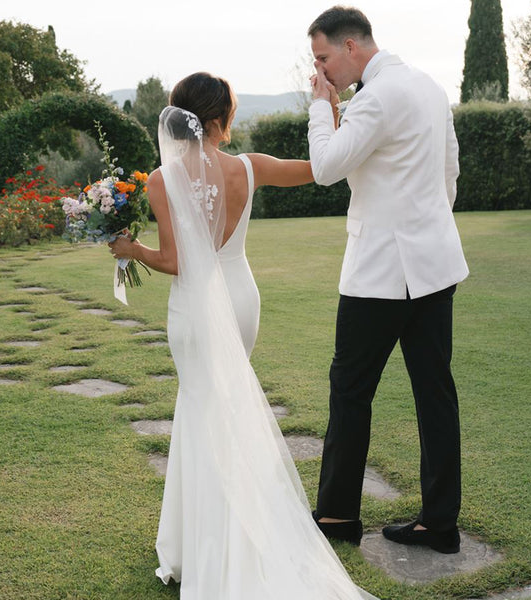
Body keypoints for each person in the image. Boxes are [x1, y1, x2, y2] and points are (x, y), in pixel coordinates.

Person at [108, 72, 378, 599]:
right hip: (240, 298)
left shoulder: (164, 179)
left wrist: (130, 251)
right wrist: (332, 113)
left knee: (202, 409)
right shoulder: (250, 168)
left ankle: (212, 546)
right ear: (220, 119)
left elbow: (175, 261)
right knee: (224, 410)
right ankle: (220, 534)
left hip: (195, 306)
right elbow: (325, 168)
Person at [306, 6, 470, 554]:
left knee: (350, 392)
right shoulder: (428, 86)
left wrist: (319, 107)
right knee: (435, 394)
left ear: (351, 47)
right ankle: (439, 524)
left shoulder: (373, 98)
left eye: (323, 59)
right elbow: (449, 172)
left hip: (379, 271)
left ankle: (336, 519)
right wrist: (424, 226)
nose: (322, 71)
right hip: (434, 264)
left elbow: (326, 168)